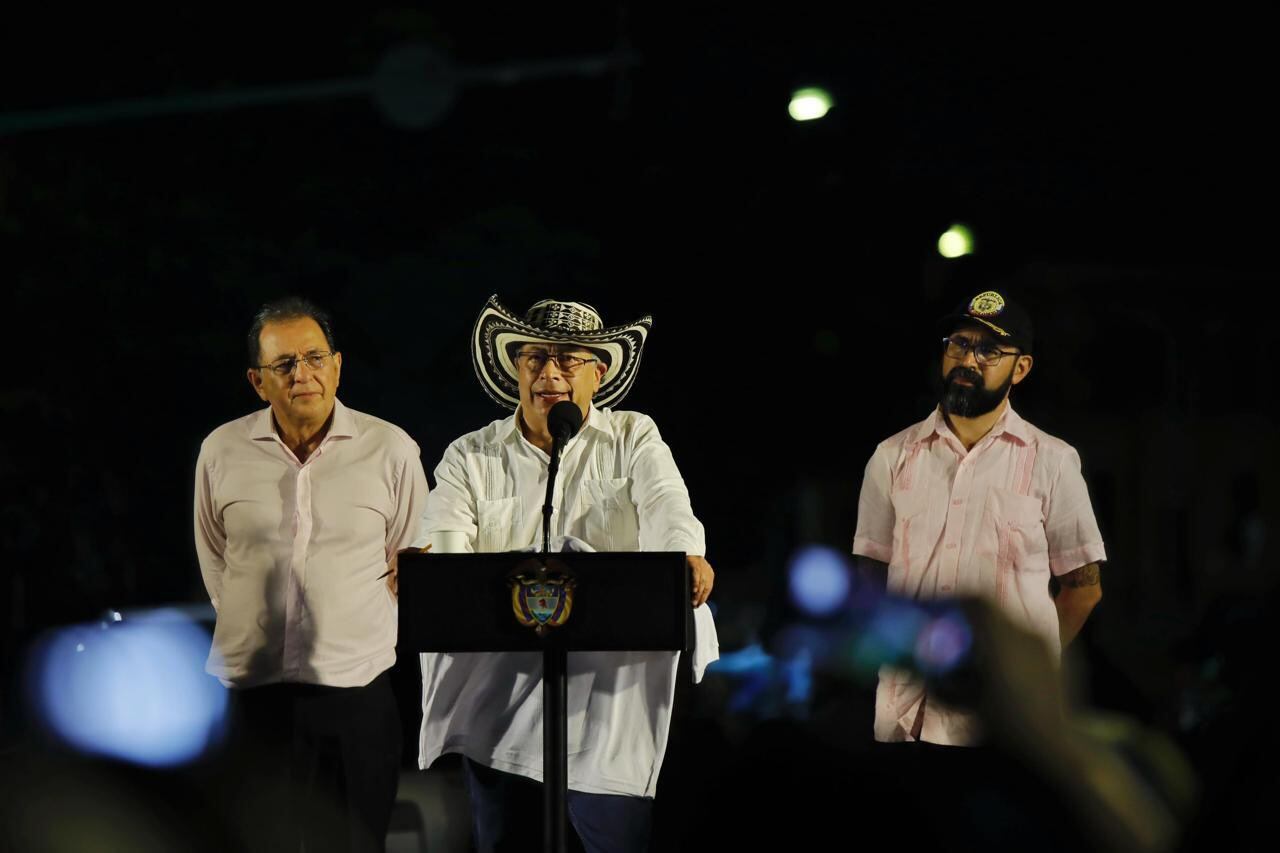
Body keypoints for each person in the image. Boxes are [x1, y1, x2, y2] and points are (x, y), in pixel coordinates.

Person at [414, 295, 717, 853]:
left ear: (598, 373)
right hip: (500, 701)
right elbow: (443, 539)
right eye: (535, 358)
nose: (549, 373)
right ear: (516, 369)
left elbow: (667, 506)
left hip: (607, 704)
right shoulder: (471, 454)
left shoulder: (633, 436)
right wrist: (427, 565)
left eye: (568, 359)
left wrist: (684, 554)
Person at [194, 296, 428, 852]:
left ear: (337, 366)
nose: (303, 374)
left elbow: (412, 561)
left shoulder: (390, 449)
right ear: (258, 382)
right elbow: (216, 558)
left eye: (315, 358)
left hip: (357, 698)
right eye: (284, 364)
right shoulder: (221, 450)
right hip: (253, 702)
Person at [852, 288, 1106, 745]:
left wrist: (1024, 670)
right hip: (908, 716)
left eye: (989, 350)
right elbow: (869, 581)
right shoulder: (891, 457)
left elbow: (1083, 590)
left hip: (1006, 725)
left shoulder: (1052, 461)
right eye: (959, 344)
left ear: (1020, 368)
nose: (968, 360)